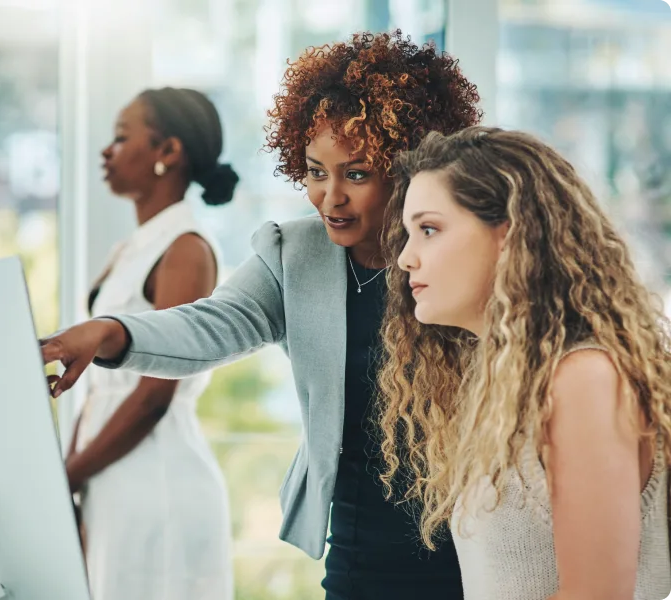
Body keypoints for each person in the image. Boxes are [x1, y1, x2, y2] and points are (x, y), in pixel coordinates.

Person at [43, 30, 481, 599]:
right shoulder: (294, 255)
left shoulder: (459, 254)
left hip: (472, 549)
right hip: (356, 549)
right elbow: (208, 325)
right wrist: (112, 331)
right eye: (314, 171)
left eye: (355, 173)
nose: (329, 198)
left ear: (408, 166)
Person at [380, 126, 671, 599]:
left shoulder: (582, 377)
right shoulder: (501, 381)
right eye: (409, 234)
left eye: (429, 229)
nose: (406, 258)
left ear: (509, 234)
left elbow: (595, 595)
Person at [63, 87, 239, 600]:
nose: (106, 151)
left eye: (121, 137)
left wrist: (67, 477)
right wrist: (72, 476)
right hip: (113, 474)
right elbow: (102, 389)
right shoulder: (132, 248)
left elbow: (153, 395)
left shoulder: (185, 248)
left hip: (155, 480)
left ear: (168, 151)